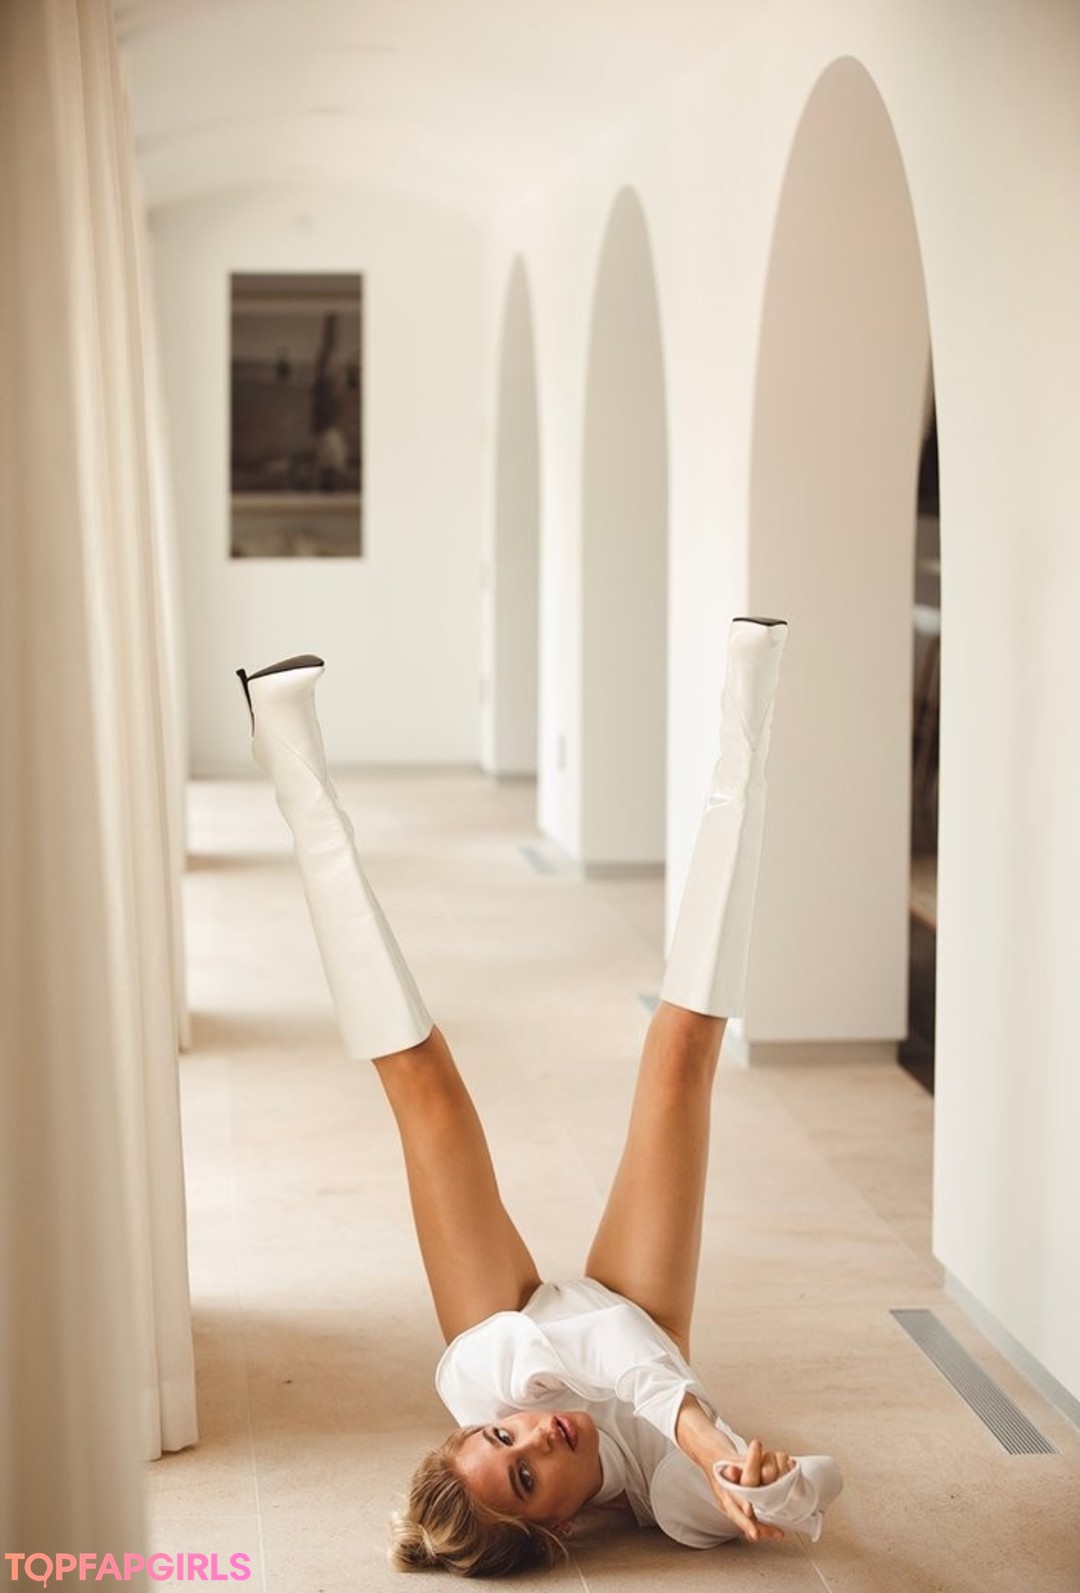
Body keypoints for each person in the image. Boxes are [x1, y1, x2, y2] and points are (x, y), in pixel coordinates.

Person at [236, 619, 842, 1577]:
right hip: (642, 1314)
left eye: (498, 1436)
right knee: (683, 1049)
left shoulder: (482, 1377)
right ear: (554, 1530)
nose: (533, 1435)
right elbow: (812, 1487)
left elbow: (595, 1346)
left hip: (514, 1314)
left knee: (422, 1082)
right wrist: (765, 1484)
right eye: (526, 1477)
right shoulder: (669, 1497)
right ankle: (748, 717)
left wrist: (695, 1428)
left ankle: (290, 758)